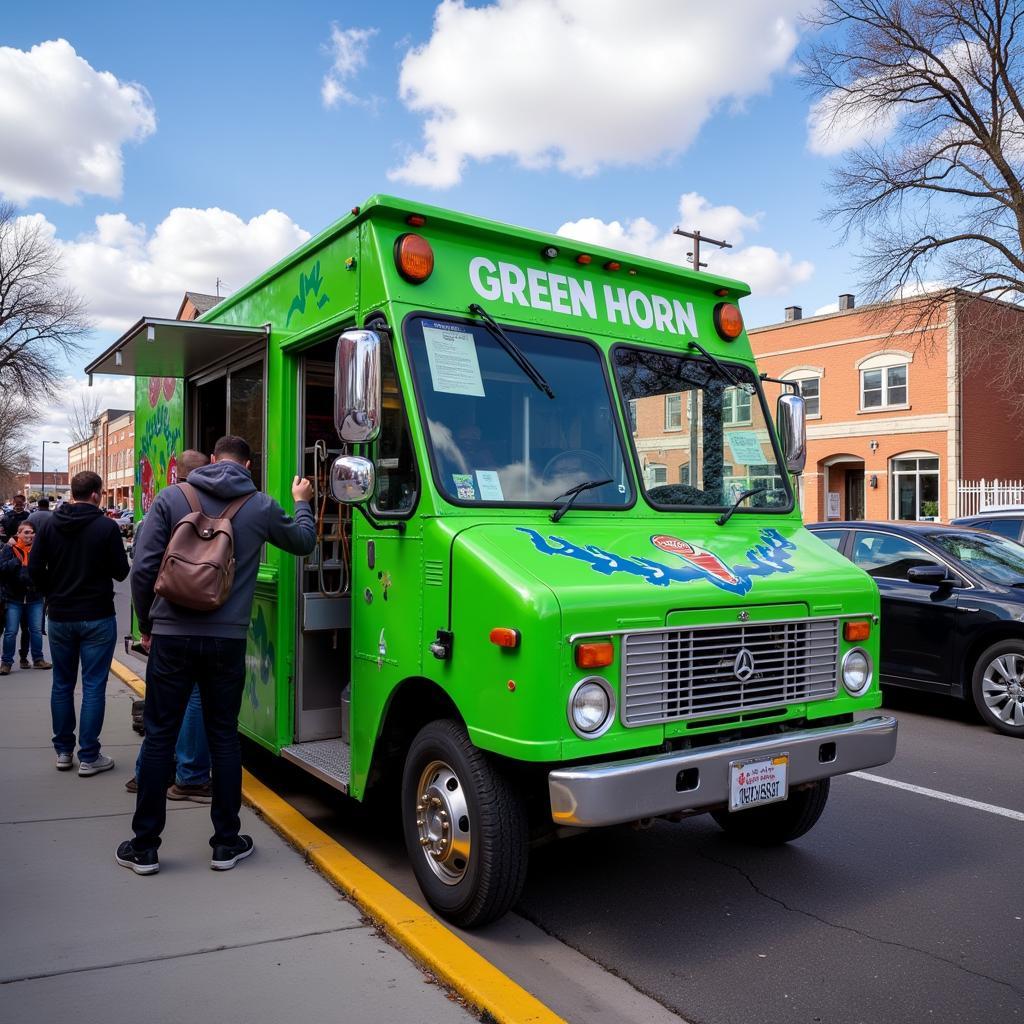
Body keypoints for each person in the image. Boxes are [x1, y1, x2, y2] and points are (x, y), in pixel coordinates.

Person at [118, 435, 315, 875]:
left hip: (170, 637)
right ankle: (226, 843)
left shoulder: (172, 497)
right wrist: (302, 500)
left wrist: (149, 625)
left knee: (160, 736)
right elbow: (304, 542)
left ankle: (144, 847)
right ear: (248, 463)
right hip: (227, 641)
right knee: (224, 736)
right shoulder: (260, 505)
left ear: (210, 460)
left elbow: (143, 568)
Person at [29, 471, 130, 775]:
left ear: (72, 492)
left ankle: (63, 752)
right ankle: (89, 755)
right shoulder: (106, 527)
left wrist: (53, 592)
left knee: (62, 684)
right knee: (93, 686)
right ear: (97, 495)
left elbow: (33, 569)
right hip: (97, 614)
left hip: (60, 615)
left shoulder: (48, 526)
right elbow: (121, 572)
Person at [126, 449, 213, 801]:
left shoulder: (160, 510)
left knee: (162, 707)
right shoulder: (211, 509)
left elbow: (142, 572)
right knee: (192, 699)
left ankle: (144, 776)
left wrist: (146, 622)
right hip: (202, 619)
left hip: (166, 623)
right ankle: (190, 775)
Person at [0, 522, 49, 673]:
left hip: (35, 597)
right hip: (14, 597)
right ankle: (6, 662)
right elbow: (2, 568)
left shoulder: (39, 550)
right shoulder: (10, 549)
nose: (29, 536)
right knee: (11, 631)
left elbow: (46, 570)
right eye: (26, 533)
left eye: (32, 533)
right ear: (18, 534)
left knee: (35, 630)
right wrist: (16, 561)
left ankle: (38, 659)